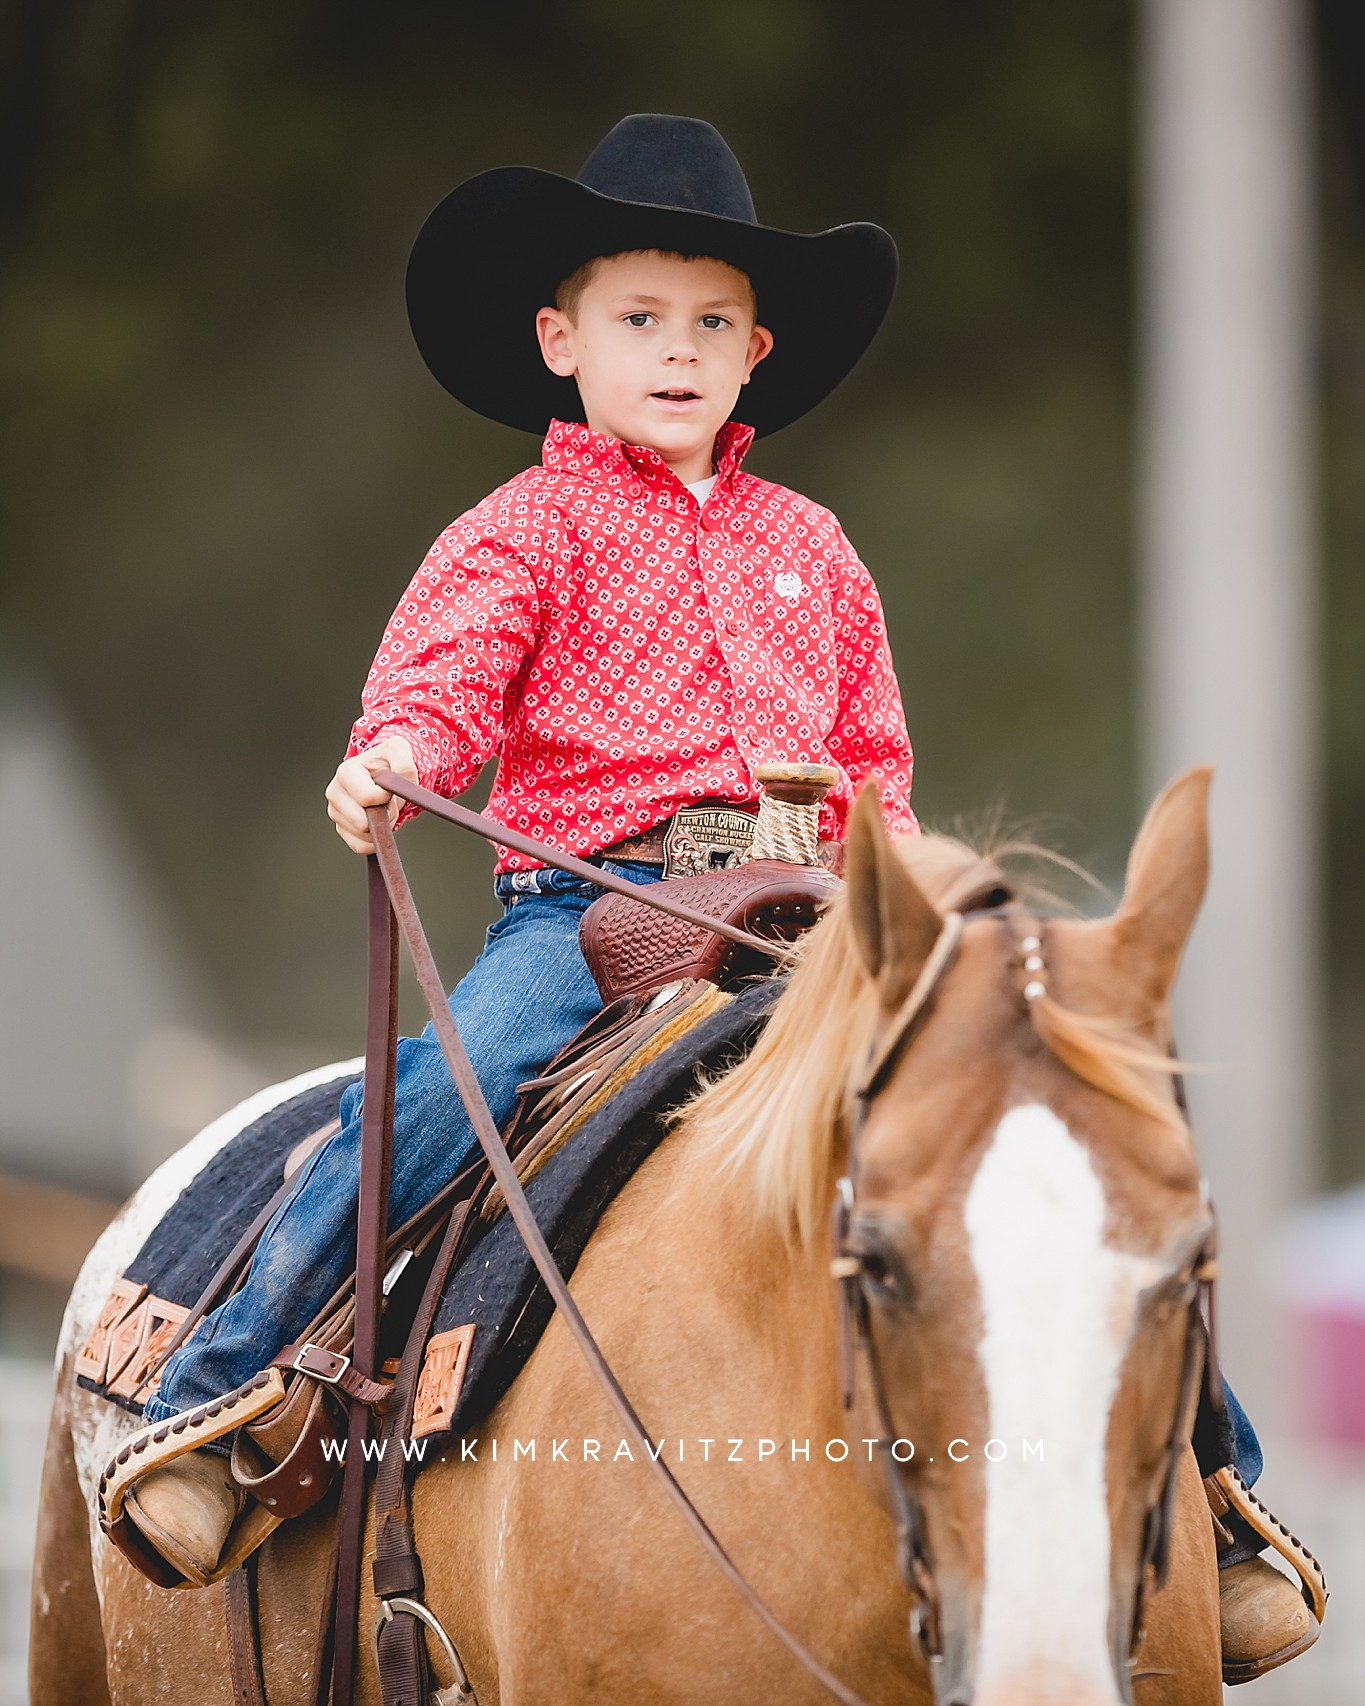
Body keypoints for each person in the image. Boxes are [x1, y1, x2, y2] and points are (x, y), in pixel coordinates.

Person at [110, 114, 1316, 1680]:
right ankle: (236, 1390)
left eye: (709, 325)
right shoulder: (523, 528)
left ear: (756, 353)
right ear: (560, 341)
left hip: (818, 927)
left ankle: (1211, 1493)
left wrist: (902, 900)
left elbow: (876, 761)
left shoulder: (813, 547)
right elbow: (447, 681)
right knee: (434, 1095)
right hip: (590, 921)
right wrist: (395, 751)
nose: (675, 353)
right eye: (638, 320)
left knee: (1060, 1135)